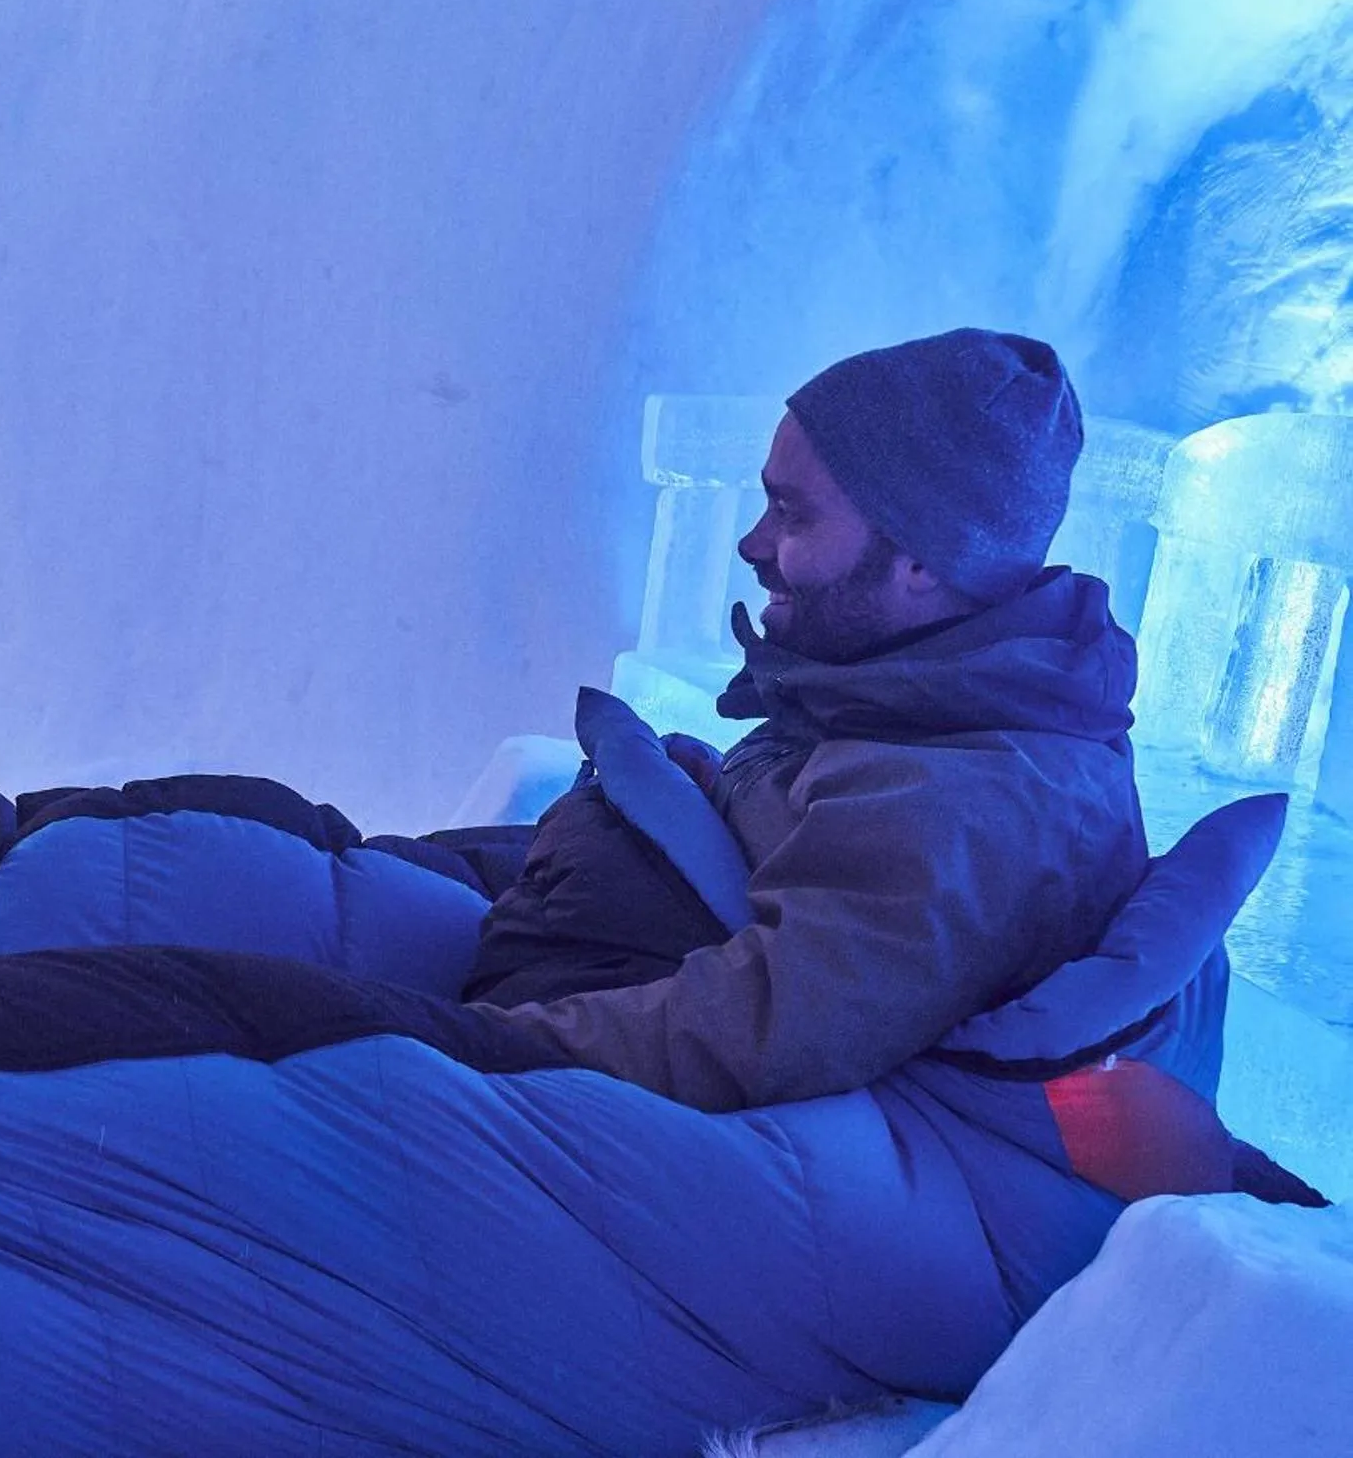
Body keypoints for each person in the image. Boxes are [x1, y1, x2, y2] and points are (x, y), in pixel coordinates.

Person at [469, 326, 1151, 1110]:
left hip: (595, 1064)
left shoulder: (980, 805)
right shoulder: (917, 687)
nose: (751, 543)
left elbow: (748, 1031)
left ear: (922, 560)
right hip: (579, 961)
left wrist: (449, 1038)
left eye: (791, 516)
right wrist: (723, 800)